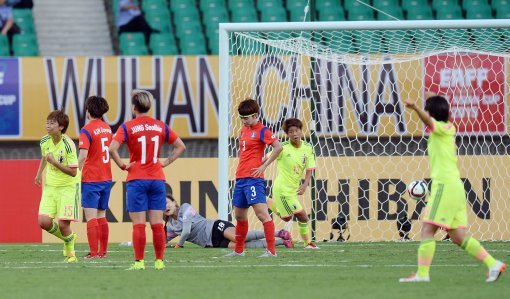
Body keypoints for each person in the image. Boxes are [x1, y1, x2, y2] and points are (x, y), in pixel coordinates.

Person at [399, 95, 506, 282]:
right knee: (458, 237)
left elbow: (429, 121)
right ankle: (493, 264)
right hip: (455, 187)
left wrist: (416, 108)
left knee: (427, 229)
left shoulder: (442, 128)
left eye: (427, 110)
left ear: (431, 113)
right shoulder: (447, 129)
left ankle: (422, 275)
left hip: (445, 186)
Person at [109, 89, 186, 271]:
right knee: (158, 224)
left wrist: (122, 165)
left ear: (134, 107)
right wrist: (165, 163)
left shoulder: (127, 126)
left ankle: (139, 263)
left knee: (139, 224)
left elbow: (112, 148)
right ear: (149, 106)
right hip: (157, 179)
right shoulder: (160, 126)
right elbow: (180, 146)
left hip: (137, 178)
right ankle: (159, 262)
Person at [225, 98, 283, 258]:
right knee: (239, 216)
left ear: (255, 115)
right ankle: (239, 251)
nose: (243, 121)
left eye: (246, 118)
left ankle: (271, 251)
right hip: (240, 178)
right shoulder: (244, 130)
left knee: (262, 214)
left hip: (253, 179)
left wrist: (264, 165)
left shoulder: (263, 130)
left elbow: (278, 147)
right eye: (241, 118)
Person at [164, 193, 293, 249]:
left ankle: (278, 233)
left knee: (238, 238)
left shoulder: (185, 207)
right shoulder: (171, 226)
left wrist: (179, 245)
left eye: (167, 203)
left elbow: (186, 231)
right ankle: (282, 241)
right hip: (211, 243)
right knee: (242, 246)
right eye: (162, 206)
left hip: (214, 227)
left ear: (175, 202)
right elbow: (163, 240)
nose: (166, 206)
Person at [35, 109, 80, 263]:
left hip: (67, 188)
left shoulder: (68, 145)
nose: (48, 125)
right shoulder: (44, 141)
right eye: (47, 122)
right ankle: (69, 238)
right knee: (43, 222)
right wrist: (39, 173)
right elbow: (44, 157)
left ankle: (71, 254)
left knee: (63, 224)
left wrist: (55, 163)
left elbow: (74, 172)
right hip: (50, 187)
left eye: (52, 123)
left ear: (61, 127)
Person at [266, 118, 318, 249]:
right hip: (282, 189)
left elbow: (309, 168)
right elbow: (266, 158)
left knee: (301, 217)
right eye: (291, 132)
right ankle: (263, 199)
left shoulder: (308, 148)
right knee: (292, 217)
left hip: (293, 190)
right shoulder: (282, 147)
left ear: (301, 131)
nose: (294, 134)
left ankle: (308, 243)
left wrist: (305, 184)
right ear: (287, 134)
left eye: (297, 130)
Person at [78, 96, 112, 259]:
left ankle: (93, 252)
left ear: (88, 110)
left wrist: (76, 172)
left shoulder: (86, 129)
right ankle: (102, 252)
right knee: (102, 215)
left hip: (91, 178)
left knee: (91, 217)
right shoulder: (106, 128)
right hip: (106, 177)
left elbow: (83, 155)